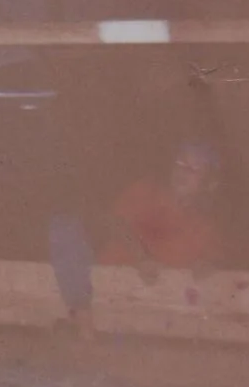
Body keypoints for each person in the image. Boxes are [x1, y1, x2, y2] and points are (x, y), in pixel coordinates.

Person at [47, 141, 228, 341]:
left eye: (194, 169)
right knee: (64, 225)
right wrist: (142, 257)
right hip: (103, 291)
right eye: (180, 164)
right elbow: (115, 223)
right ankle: (83, 325)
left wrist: (207, 266)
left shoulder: (204, 226)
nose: (183, 172)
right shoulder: (146, 191)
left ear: (209, 183)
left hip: (158, 315)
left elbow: (214, 262)